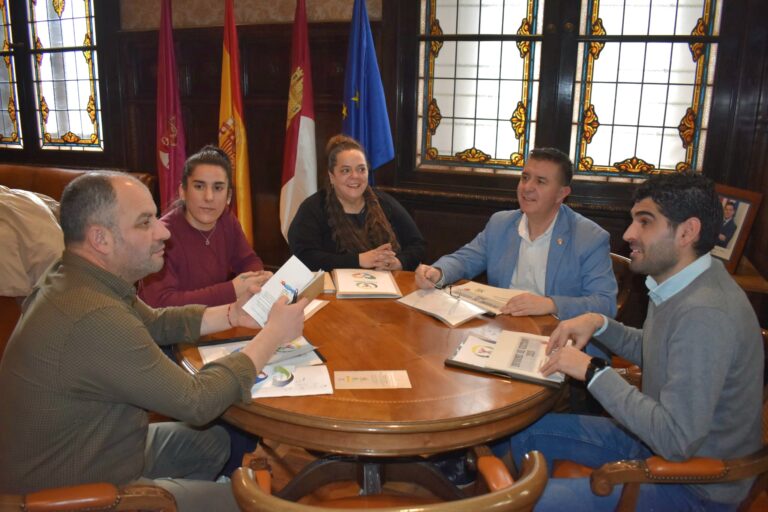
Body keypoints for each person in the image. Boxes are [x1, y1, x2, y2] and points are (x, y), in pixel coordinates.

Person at [0, 172, 308, 512]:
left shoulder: (75, 275)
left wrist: (232, 314)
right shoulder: (93, 316)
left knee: (215, 442)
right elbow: (197, 401)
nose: (163, 231)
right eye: (145, 222)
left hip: (99, 448)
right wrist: (272, 335)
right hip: (74, 494)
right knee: (252, 502)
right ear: (101, 239)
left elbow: (154, 322)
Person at [500, 173, 763, 510]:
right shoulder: (686, 282)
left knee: (523, 505)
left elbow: (675, 440)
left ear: (687, 232)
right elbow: (659, 351)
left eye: (645, 222)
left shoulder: (705, 314)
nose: (628, 234)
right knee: (522, 434)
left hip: (694, 485)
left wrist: (593, 371)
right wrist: (598, 324)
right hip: (653, 443)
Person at [415, 147, 616, 321]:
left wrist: (550, 304)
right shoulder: (501, 223)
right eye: (525, 178)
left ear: (561, 194)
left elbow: (605, 304)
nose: (527, 188)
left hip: (557, 335)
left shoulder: (589, 237)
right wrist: (438, 272)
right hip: (502, 325)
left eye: (541, 181)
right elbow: (465, 259)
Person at [140, 145, 267, 308]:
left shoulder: (226, 218)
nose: (209, 197)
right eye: (199, 186)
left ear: (228, 196)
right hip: (166, 324)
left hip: (216, 317)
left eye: (218, 188)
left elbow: (248, 260)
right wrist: (231, 290)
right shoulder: (160, 236)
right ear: (183, 191)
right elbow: (161, 303)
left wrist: (257, 280)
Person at [288, 134, 426, 271]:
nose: (355, 176)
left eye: (361, 169)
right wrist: (359, 260)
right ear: (332, 176)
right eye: (346, 170)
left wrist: (398, 262)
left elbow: (418, 245)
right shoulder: (312, 208)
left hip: (386, 282)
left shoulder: (384, 202)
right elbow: (304, 257)